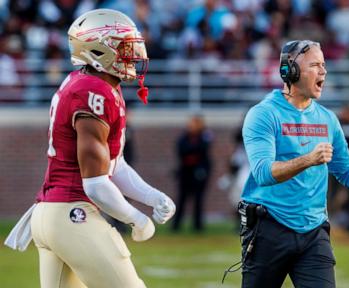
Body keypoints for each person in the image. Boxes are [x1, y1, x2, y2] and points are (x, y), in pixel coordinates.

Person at [9, 9, 176, 288]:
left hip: (52, 214)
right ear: (98, 49)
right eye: (124, 46)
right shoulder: (92, 91)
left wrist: (151, 196)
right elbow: (96, 184)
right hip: (71, 214)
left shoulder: (95, 85)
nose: (133, 53)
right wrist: (135, 219)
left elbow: (113, 164)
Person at [237, 40, 349, 288]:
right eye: (315, 65)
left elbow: (347, 172)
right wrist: (309, 159)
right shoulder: (263, 114)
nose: (323, 71)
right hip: (268, 229)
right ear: (290, 70)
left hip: (314, 232)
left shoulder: (327, 118)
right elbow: (263, 173)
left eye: (324, 65)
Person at [172, 114, 212, 232]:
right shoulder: (184, 137)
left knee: (198, 199)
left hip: (199, 171)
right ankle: (176, 225)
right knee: (182, 198)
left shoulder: (204, 136)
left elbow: (203, 149)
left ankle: (197, 225)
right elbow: (182, 149)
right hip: (186, 171)